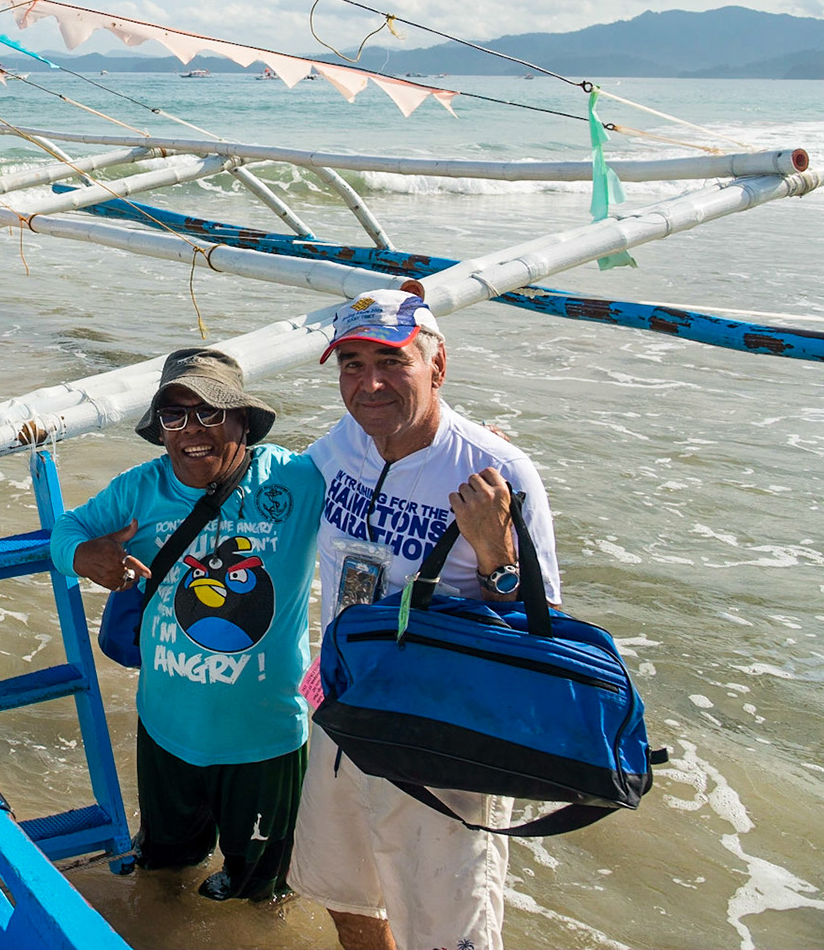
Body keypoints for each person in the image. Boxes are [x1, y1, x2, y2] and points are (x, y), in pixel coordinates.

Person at [291, 290, 563, 950]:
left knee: (446, 933)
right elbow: (265, 497)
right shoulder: (341, 445)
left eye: (392, 361)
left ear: (437, 366)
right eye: (352, 363)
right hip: (344, 711)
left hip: (441, 739)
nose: (370, 382)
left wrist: (497, 552)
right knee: (346, 896)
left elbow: (542, 629)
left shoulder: (494, 469)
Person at [51, 348, 325, 902]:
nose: (191, 431)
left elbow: (388, 484)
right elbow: (67, 529)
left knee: (262, 893)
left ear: (242, 421)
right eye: (175, 416)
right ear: (160, 428)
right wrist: (85, 558)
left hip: (266, 740)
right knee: (164, 875)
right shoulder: (140, 489)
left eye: (210, 413)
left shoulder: (296, 480)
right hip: (167, 731)